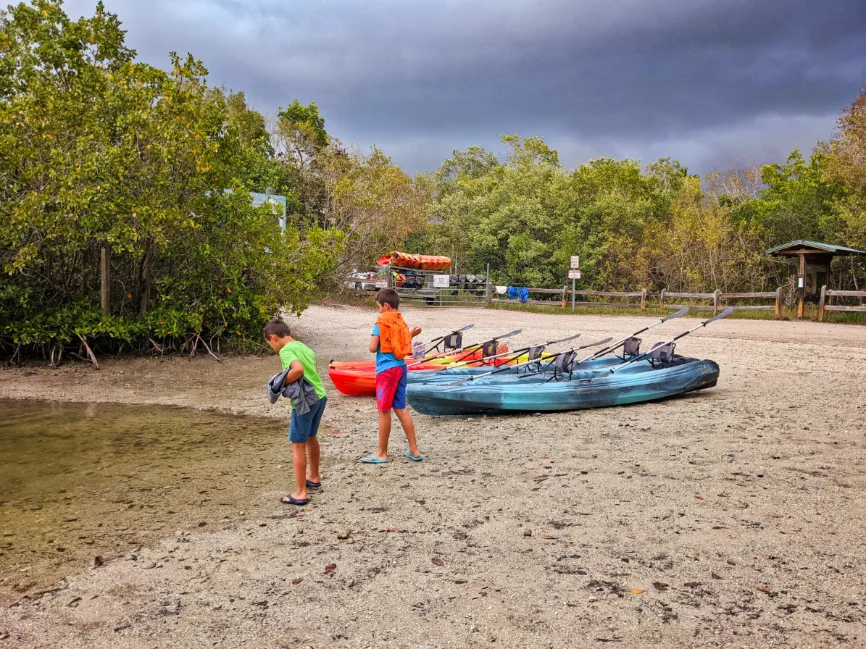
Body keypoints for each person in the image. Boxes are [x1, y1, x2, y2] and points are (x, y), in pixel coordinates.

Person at [264, 318, 327, 505]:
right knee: (311, 437)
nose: (271, 347)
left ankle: (300, 492)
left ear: (273, 338)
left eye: (269, 343)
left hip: (305, 402)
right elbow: (313, 369)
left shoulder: (286, 351)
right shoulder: (303, 347)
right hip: (320, 396)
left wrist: (282, 382)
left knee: (297, 444)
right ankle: (314, 476)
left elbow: (298, 370)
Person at [361, 288, 424, 464]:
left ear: (386, 305)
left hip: (386, 371)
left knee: (384, 411)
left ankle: (382, 453)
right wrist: (411, 334)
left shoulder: (381, 322)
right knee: (401, 408)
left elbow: (373, 348)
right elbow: (400, 344)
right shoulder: (401, 322)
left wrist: (377, 339)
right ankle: (414, 450)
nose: (379, 310)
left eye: (379, 307)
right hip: (401, 368)